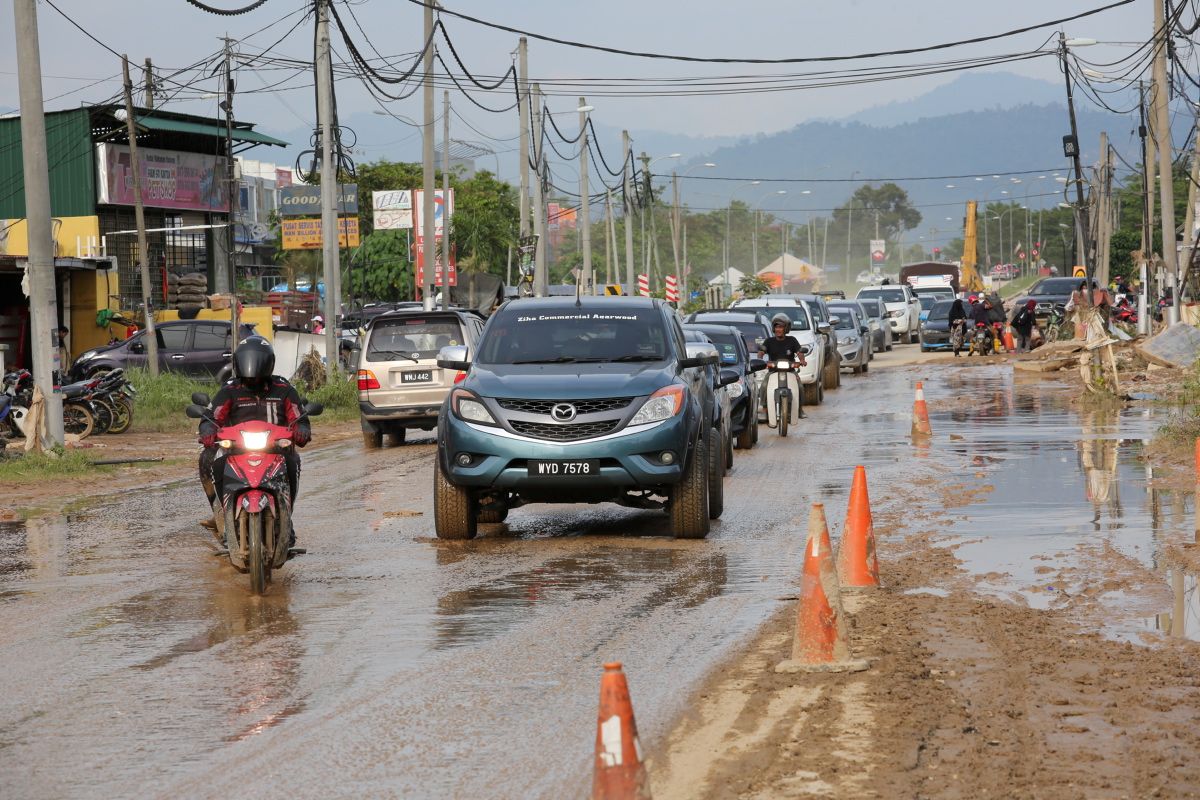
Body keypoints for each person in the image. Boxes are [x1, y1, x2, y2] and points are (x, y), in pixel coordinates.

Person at [197, 336, 311, 542]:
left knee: (294, 461)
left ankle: (286, 517)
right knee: (208, 458)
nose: (253, 376)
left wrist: (302, 428)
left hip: (276, 450)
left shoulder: (284, 390)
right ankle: (221, 513)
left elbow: (298, 416)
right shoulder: (229, 391)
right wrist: (207, 429)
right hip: (236, 449)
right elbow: (212, 417)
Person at [758, 313, 807, 419]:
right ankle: (765, 409)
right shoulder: (769, 341)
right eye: (776, 327)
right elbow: (762, 351)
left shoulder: (792, 340)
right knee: (764, 386)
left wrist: (802, 360)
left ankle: (800, 409)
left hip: (790, 371)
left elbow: (799, 352)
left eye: (781, 327)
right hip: (773, 372)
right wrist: (759, 359)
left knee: (800, 386)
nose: (778, 329)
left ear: (786, 328)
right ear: (773, 328)